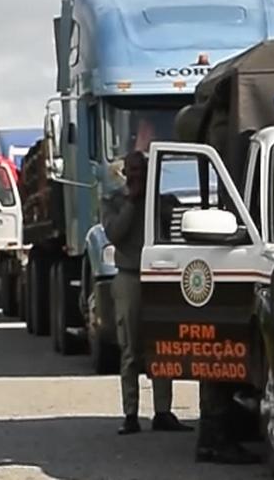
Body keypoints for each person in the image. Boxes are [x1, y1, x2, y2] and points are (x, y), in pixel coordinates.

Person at [103, 150, 191, 435]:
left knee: (162, 347)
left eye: (142, 170)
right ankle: (130, 413)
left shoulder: (162, 202)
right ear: (125, 174)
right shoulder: (114, 202)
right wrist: (132, 202)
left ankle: (163, 411)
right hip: (129, 276)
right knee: (129, 348)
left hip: (159, 278)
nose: (137, 176)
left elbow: (177, 229)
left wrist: (155, 201)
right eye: (133, 171)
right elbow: (115, 234)